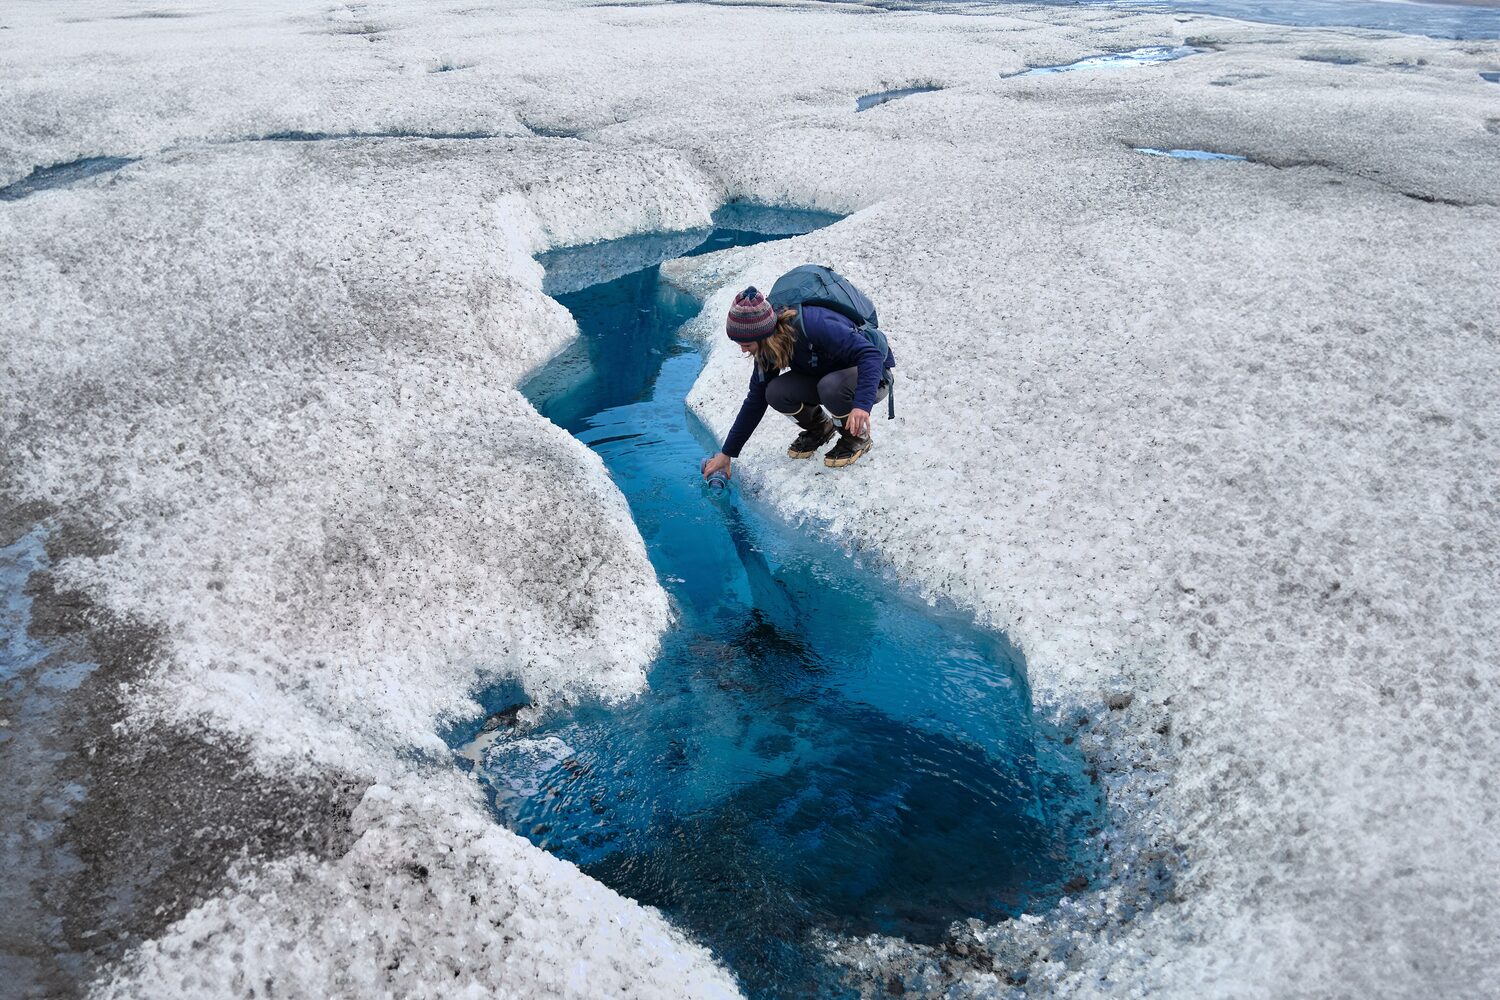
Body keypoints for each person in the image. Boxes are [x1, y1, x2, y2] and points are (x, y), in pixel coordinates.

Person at [701, 286, 893, 482]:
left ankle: (856, 438)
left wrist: (862, 404)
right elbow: (755, 400)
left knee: (830, 386)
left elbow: (871, 355)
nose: (743, 350)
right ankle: (821, 429)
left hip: (871, 377)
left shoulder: (814, 324)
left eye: (747, 345)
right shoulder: (767, 348)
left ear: (763, 334)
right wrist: (727, 454)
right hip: (827, 377)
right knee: (775, 392)